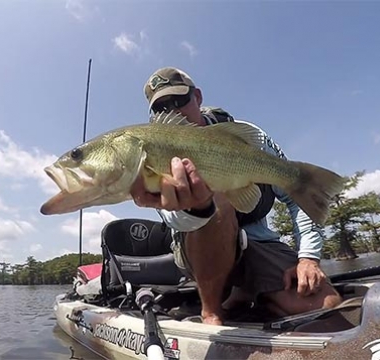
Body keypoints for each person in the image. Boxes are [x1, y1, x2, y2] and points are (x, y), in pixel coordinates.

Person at [129, 67, 342, 326]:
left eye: (179, 100)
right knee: (214, 202)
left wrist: (308, 257)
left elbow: (293, 198)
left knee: (325, 305)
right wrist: (198, 206)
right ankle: (212, 310)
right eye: (161, 108)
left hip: (257, 245)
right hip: (198, 252)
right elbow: (174, 220)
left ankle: (250, 293)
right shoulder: (150, 151)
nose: (173, 111)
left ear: (197, 97)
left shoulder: (246, 136)